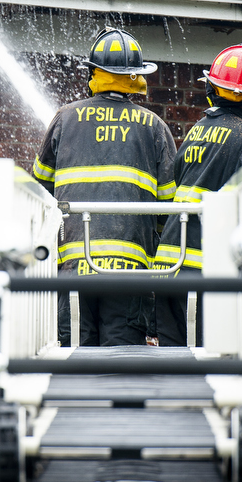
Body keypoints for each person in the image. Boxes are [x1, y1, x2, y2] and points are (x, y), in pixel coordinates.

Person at [32, 27, 176, 346]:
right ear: (135, 77)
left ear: (94, 73)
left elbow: (38, 192)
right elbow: (169, 209)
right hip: (130, 274)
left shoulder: (64, 118)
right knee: (120, 365)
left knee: (75, 357)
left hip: (73, 267)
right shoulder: (155, 128)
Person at [152, 43, 242, 347]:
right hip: (205, 272)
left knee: (172, 365)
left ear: (211, 88)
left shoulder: (197, 131)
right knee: (208, 367)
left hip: (167, 268)